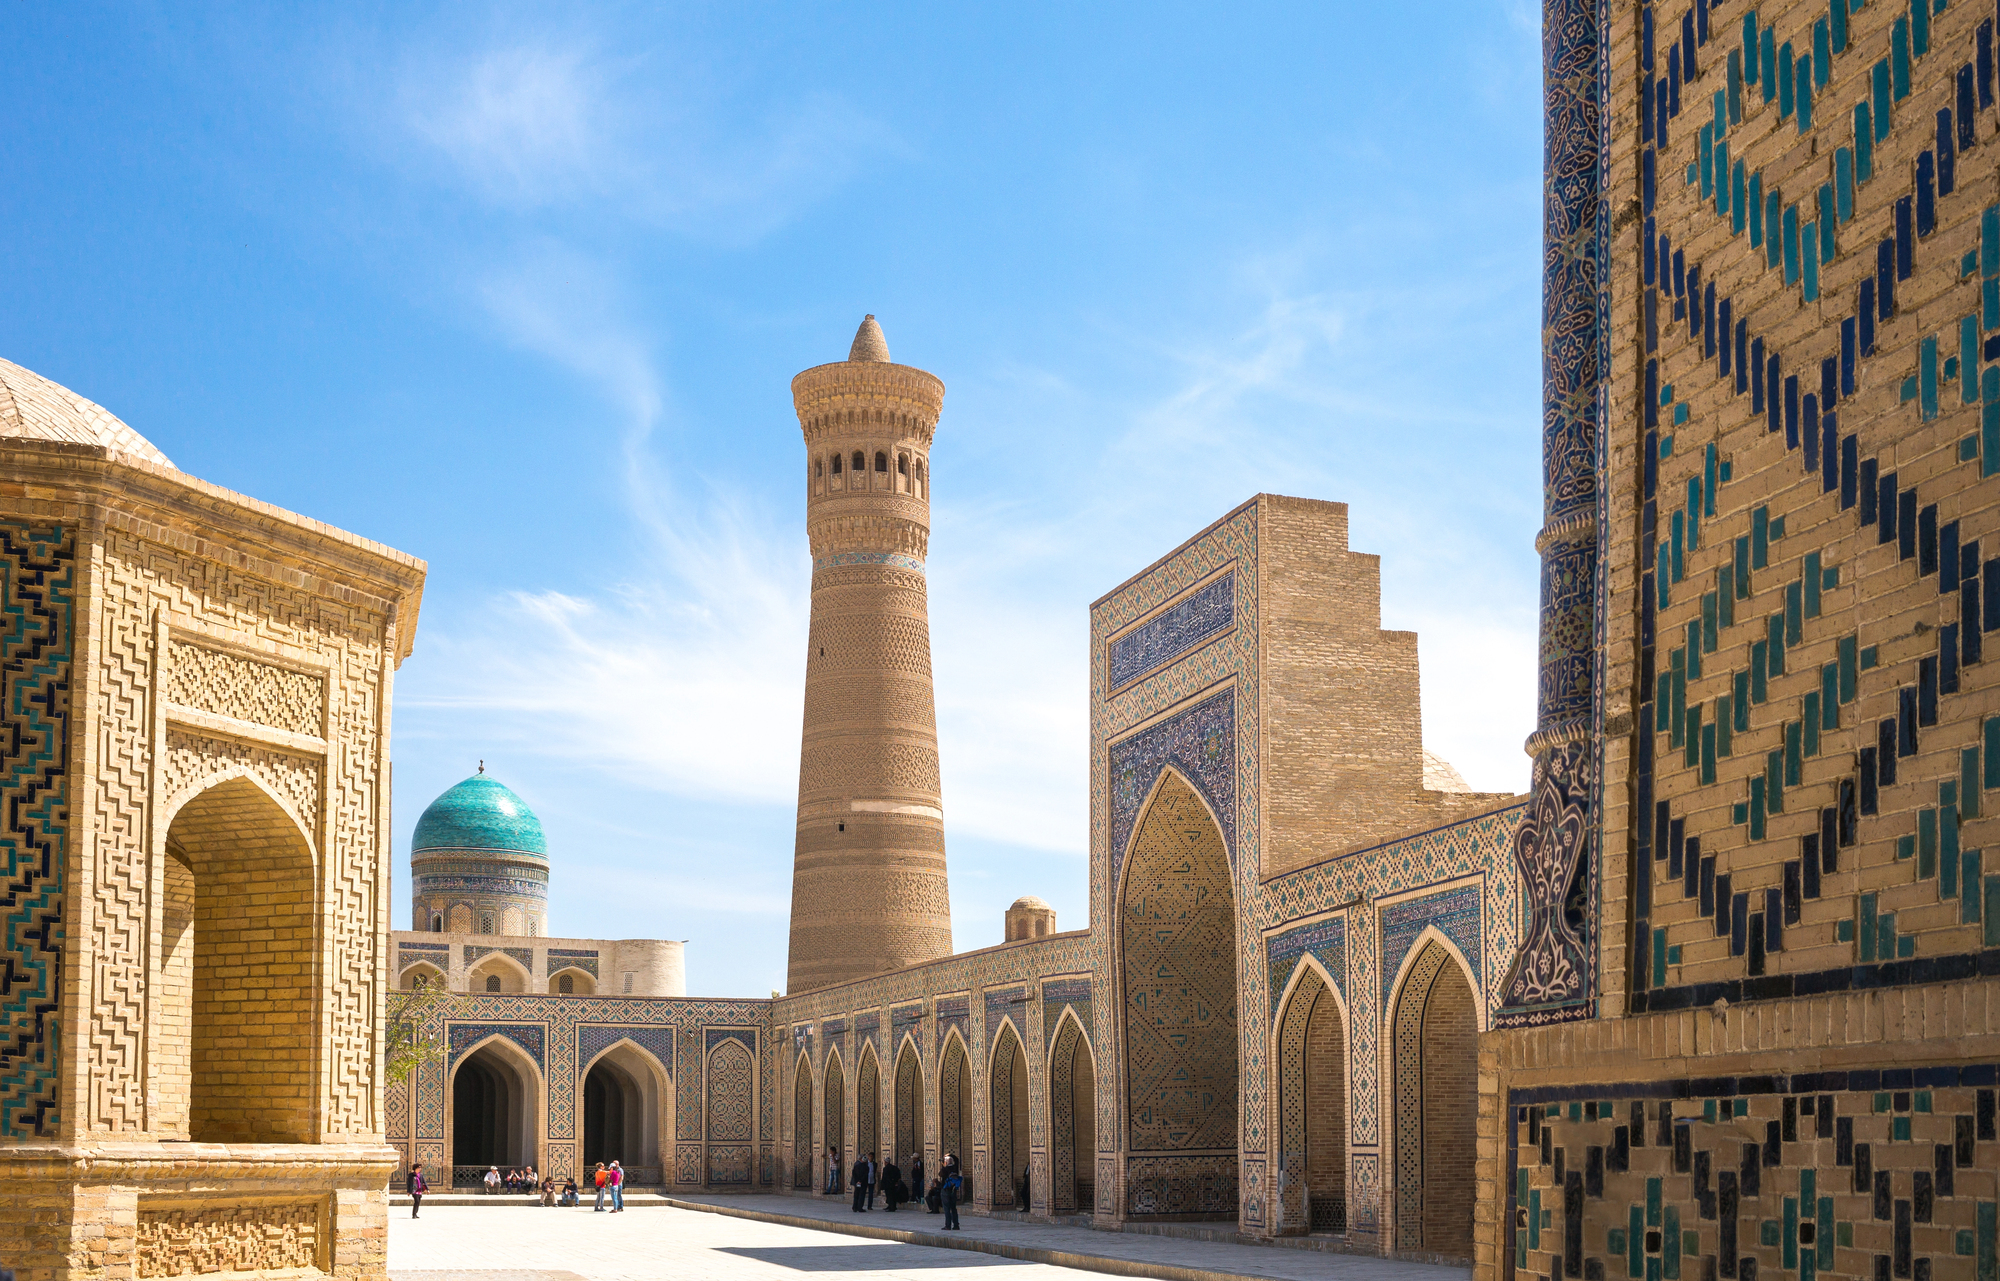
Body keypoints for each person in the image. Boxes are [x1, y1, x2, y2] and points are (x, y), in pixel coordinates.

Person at [941, 1155, 962, 1230]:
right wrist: (950, 1155)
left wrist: (943, 1165)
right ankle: (956, 1225)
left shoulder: (944, 1169)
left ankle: (948, 1225)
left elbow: (941, 1175)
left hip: (946, 1191)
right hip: (953, 1191)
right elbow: (957, 1159)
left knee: (947, 1209)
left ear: (945, 1162)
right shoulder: (955, 1168)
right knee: (953, 1208)